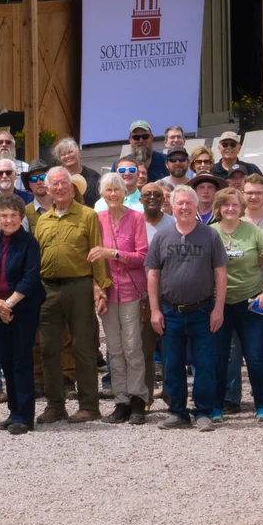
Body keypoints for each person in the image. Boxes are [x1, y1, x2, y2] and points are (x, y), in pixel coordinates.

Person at [24, 165, 106, 423]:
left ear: (72, 188)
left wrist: (100, 286)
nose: (60, 188)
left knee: (83, 347)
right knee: (48, 348)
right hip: (48, 288)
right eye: (55, 184)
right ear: (47, 189)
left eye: (64, 183)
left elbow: (97, 252)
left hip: (79, 286)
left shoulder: (88, 215)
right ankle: (55, 404)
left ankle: (89, 405)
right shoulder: (43, 221)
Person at [147, 185, 227, 431]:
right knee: (172, 365)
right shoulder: (162, 236)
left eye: (188, 203)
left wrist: (218, 309)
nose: (184, 207)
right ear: (171, 206)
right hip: (170, 312)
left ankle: (203, 411)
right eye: (179, 203)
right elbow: (152, 274)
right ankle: (178, 412)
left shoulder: (210, 235)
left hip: (203, 311)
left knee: (204, 364)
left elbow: (221, 274)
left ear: (196, 207)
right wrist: (155, 310)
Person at [0, 194, 45, 435]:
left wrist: (9, 304)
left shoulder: (28, 242)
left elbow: (30, 278)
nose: (9, 220)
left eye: (13, 215)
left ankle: (25, 417)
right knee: (6, 361)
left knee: (21, 362)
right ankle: (13, 411)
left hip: (24, 310)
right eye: (4, 215)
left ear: (21, 217)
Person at [212, 184, 263, 422]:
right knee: (221, 357)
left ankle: (261, 405)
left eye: (235, 204)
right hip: (220, 304)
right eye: (226, 204)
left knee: (255, 355)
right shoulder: (210, 232)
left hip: (250, 302)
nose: (230, 208)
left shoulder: (252, 232)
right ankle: (217, 407)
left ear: (241, 208)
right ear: (218, 208)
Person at [94, 173, 152, 425]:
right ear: (102, 194)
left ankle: (138, 399)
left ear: (125, 192)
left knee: (132, 347)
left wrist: (113, 253)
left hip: (131, 290)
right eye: (108, 190)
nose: (113, 193)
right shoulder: (95, 220)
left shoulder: (136, 218)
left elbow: (142, 256)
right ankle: (121, 401)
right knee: (114, 349)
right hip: (107, 291)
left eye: (117, 189)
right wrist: (96, 288)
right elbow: (92, 258)